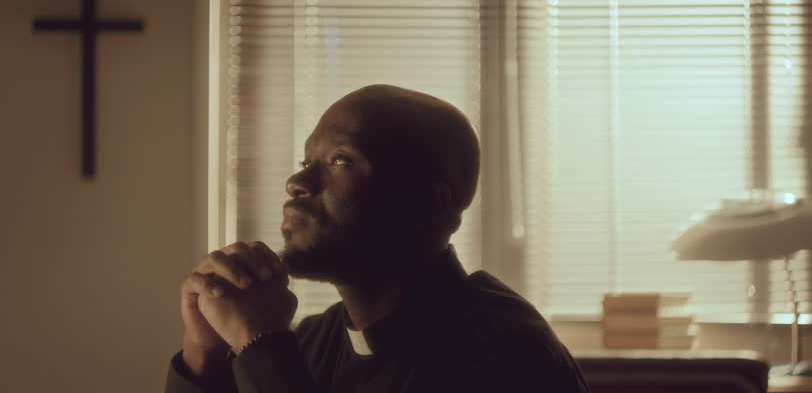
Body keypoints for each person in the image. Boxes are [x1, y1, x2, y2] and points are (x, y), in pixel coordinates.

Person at [165, 85, 590, 393]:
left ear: (428, 202)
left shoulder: (505, 355)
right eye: (304, 161)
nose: (296, 181)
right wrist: (203, 357)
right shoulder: (315, 340)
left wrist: (261, 349)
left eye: (339, 160)